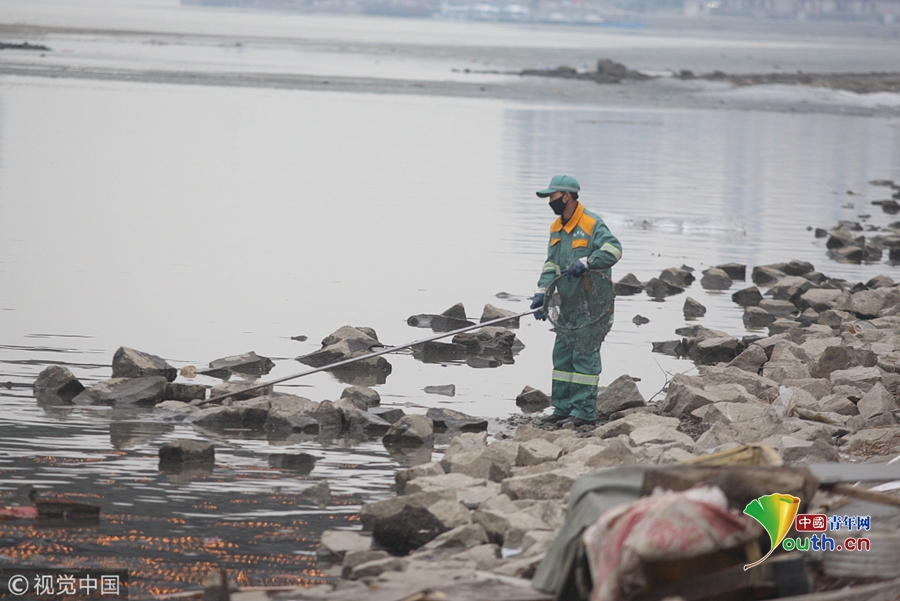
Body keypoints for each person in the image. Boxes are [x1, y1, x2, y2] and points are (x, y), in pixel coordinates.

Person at [530, 175, 622, 427]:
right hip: (568, 304)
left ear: (566, 196)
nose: (550, 201)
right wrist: (542, 293)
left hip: (592, 303)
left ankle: (583, 414)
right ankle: (562, 409)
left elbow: (614, 249)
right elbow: (551, 263)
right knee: (562, 356)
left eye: (552, 196)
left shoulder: (591, 223)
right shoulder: (556, 228)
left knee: (584, 356)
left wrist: (587, 261)